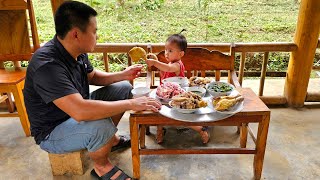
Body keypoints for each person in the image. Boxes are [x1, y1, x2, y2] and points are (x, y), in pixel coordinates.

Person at [23, 1, 161, 179]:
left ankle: (110, 140)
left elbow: (93, 76)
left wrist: (123, 75)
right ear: (76, 34)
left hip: (74, 109)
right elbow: (80, 111)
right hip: (52, 130)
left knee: (123, 88)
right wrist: (132, 103)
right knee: (100, 125)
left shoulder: (77, 50)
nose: (97, 35)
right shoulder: (47, 66)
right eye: (94, 31)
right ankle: (101, 166)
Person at [146, 30, 210, 144]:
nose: (166, 53)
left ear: (181, 54)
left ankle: (200, 129)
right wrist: (156, 62)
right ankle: (160, 130)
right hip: (166, 96)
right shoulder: (170, 63)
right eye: (166, 50)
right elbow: (164, 73)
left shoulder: (177, 65)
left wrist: (155, 63)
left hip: (178, 97)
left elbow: (168, 69)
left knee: (181, 117)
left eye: (170, 51)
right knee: (159, 113)